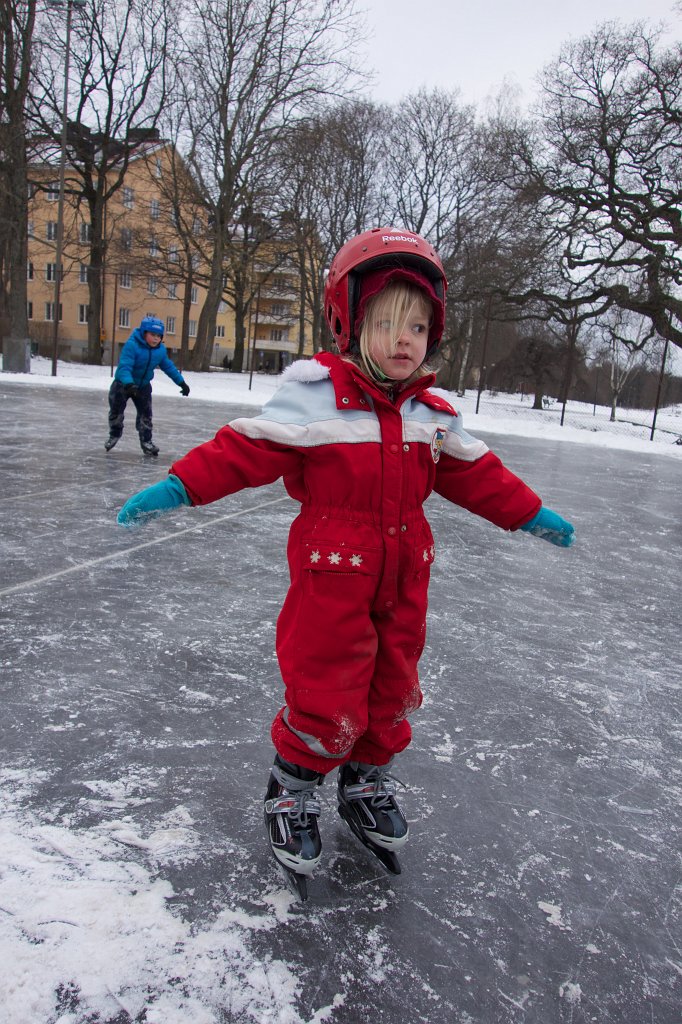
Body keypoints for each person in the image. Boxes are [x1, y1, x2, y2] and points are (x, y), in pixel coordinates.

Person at [116, 227, 575, 898]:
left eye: (417, 326)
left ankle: (365, 780)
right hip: (332, 574)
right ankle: (293, 788)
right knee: (326, 687)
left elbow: (481, 475)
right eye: (386, 323)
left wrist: (531, 512)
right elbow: (244, 450)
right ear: (349, 321)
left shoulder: (432, 414)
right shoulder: (316, 398)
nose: (403, 339)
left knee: (391, 686)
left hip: (405, 576)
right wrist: (180, 485)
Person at [105, 315, 190, 456]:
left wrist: (181, 383)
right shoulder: (132, 345)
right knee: (116, 411)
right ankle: (114, 434)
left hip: (143, 386)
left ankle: (146, 441)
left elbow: (168, 367)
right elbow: (125, 366)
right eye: (152, 335)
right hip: (122, 385)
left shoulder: (160, 350)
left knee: (146, 415)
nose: (156, 338)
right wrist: (129, 383)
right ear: (144, 333)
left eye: (159, 336)